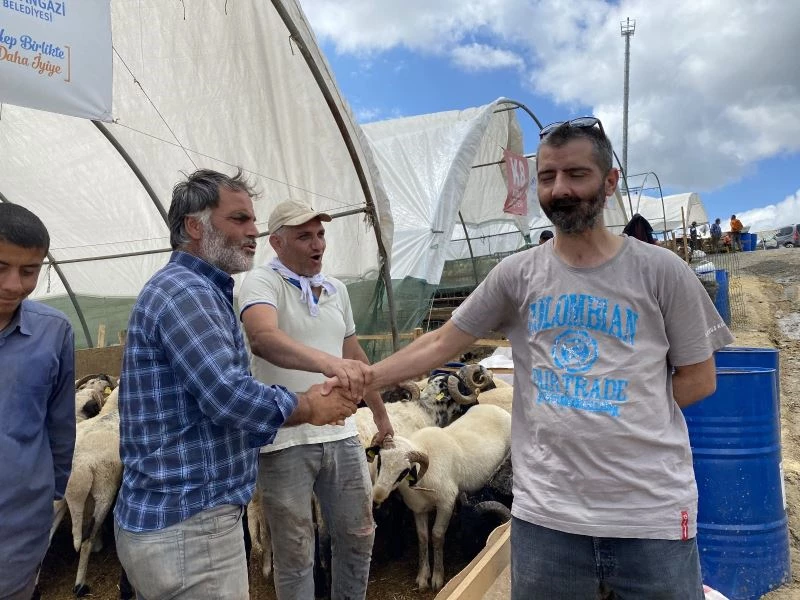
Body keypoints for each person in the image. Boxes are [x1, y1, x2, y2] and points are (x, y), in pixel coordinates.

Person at [354, 117, 735, 599]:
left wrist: (618, 411)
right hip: (547, 518)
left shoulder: (661, 271)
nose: (560, 189)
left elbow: (700, 379)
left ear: (609, 181)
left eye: (576, 174)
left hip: (648, 514)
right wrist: (364, 378)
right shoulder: (517, 275)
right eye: (547, 177)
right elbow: (440, 343)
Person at [113, 170, 358, 600]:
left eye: (252, 220)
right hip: (190, 524)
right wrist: (308, 406)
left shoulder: (200, 290)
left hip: (189, 519)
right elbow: (228, 397)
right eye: (240, 219)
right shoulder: (186, 292)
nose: (253, 232)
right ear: (195, 226)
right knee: (295, 547)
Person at [239, 200, 393, 600]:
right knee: (295, 551)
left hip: (341, 434)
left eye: (320, 234)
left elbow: (355, 358)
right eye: (304, 236)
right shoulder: (260, 283)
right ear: (276, 242)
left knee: (358, 535)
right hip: (284, 440)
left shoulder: (336, 290)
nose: (317, 243)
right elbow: (263, 339)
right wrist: (329, 364)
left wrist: (380, 414)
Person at [0, 204, 76, 600]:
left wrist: (51, 490)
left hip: (19, 524)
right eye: (0, 268)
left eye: (28, 272)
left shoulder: (53, 332)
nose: (14, 284)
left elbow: (60, 422)